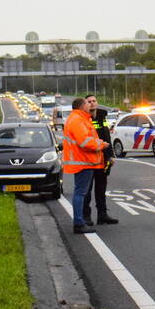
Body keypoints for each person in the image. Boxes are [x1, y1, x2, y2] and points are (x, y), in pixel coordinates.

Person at [62, 97, 108, 234]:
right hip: (83, 161)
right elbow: (84, 141)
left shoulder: (80, 119)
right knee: (80, 193)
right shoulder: (78, 120)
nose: (90, 105)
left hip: (83, 161)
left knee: (80, 192)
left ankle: (79, 221)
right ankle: (79, 222)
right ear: (82, 106)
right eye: (87, 103)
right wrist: (102, 144)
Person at [83, 95, 118, 226]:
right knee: (87, 190)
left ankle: (102, 215)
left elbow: (107, 137)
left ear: (97, 103)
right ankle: (86, 216)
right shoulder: (84, 119)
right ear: (86, 104)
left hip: (102, 159)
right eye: (89, 102)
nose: (92, 104)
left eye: (94, 101)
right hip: (89, 159)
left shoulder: (102, 117)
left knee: (101, 188)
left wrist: (110, 156)